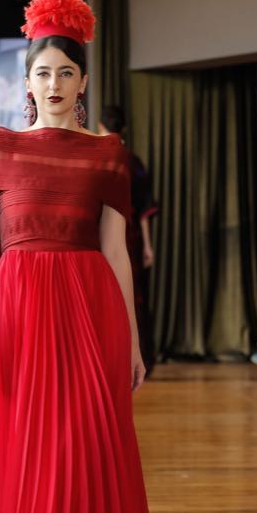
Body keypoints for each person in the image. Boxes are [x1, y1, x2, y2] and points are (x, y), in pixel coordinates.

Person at [0, 0, 165, 513]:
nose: (54, 84)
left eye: (66, 73)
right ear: (27, 82)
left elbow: (117, 251)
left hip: (90, 308)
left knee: (89, 452)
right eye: (43, 72)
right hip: (21, 311)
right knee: (33, 455)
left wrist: (133, 340)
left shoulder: (107, 152)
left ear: (83, 83)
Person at [97, 104, 158, 372]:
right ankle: (140, 357)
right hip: (130, 238)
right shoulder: (133, 161)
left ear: (100, 126)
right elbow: (144, 208)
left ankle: (109, 355)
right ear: (124, 128)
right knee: (134, 296)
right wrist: (148, 245)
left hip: (101, 238)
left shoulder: (99, 158)